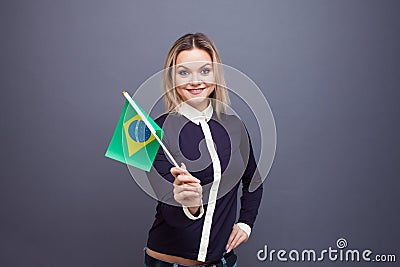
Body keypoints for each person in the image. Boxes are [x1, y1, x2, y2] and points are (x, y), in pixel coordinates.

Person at [144, 33, 263, 267]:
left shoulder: (234, 125)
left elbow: (253, 181)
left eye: (205, 71)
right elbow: (169, 207)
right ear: (173, 78)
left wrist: (246, 223)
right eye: (184, 72)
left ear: (216, 74)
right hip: (167, 262)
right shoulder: (154, 131)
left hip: (222, 262)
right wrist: (189, 203)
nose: (195, 80)